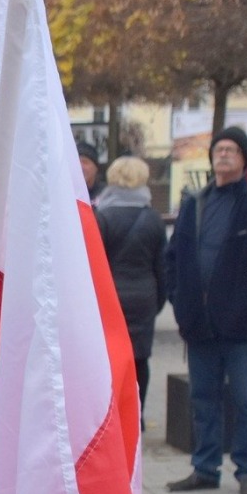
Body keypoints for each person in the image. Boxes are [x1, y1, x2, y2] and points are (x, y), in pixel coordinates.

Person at [164, 127, 247, 494]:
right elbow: (173, 258)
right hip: (199, 324)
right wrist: (180, 300)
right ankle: (205, 468)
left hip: (242, 325)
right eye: (219, 149)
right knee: (203, 399)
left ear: (244, 159)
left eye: (232, 150)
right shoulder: (195, 203)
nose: (223, 155)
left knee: (245, 400)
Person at [93, 155, 167, 412]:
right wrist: (156, 301)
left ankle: (112, 412)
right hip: (144, 298)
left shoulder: (102, 217)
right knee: (139, 358)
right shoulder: (153, 219)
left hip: (110, 299)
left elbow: (95, 263)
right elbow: (161, 267)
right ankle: (137, 413)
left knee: (110, 357)